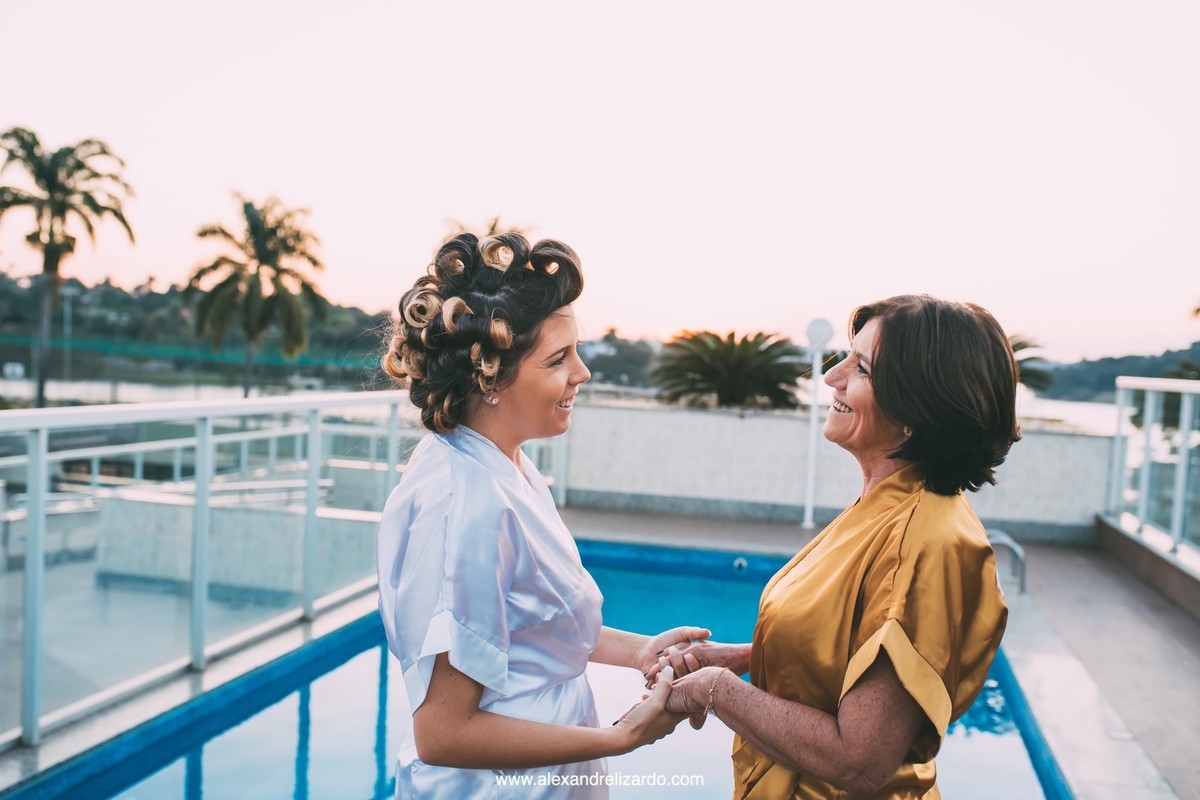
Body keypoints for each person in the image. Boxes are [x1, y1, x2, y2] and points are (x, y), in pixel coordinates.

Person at [376, 232, 700, 799]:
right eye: (558, 359)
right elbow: (443, 733)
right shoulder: (469, 509)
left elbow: (530, 624)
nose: (583, 373)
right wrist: (618, 738)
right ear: (490, 377)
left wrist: (637, 651)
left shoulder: (502, 464)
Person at [655, 295, 1017, 798]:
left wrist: (716, 690)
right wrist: (741, 657)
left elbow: (858, 759)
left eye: (862, 368)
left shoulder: (926, 541)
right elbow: (847, 653)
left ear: (918, 406)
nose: (832, 376)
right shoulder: (887, 507)